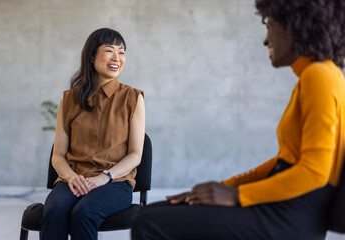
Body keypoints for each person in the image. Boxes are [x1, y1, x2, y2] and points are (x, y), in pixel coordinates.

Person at [131, 0, 345, 239]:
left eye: (269, 24)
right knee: (152, 212)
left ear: (296, 25)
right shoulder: (319, 74)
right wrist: (226, 186)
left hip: (291, 216)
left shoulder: (319, 76)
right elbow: (284, 161)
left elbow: (315, 172)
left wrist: (236, 196)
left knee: (149, 223)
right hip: (287, 208)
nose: (266, 39)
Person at [40, 28, 145, 240]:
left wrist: (103, 178)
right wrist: (71, 177)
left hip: (115, 182)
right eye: (109, 50)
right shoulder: (69, 100)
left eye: (122, 52)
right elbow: (58, 155)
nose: (117, 58)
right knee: (53, 212)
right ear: (91, 56)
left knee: (84, 213)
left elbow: (135, 155)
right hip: (74, 178)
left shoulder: (133, 98)